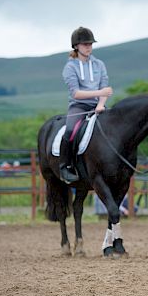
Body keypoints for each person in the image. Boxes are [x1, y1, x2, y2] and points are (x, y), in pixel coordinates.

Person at [60, 27, 112, 183]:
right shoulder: (70, 67)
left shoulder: (99, 64)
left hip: (98, 106)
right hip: (79, 106)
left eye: (90, 44)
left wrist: (101, 105)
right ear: (76, 46)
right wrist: (100, 93)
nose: (88, 46)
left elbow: (105, 87)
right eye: (85, 44)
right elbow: (76, 93)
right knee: (70, 130)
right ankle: (65, 167)